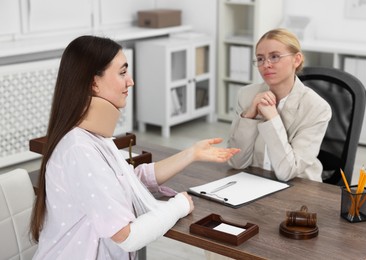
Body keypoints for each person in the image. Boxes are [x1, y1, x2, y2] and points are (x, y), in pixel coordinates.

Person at [30, 35, 240, 260]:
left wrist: (191, 154)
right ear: (93, 83)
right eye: (122, 73)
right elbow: (127, 236)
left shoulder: (94, 137)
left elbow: (128, 181)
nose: (130, 81)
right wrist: (177, 206)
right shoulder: (79, 149)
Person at [227, 28, 331, 182]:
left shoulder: (317, 108)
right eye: (260, 59)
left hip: (300, 189)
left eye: (275, 57)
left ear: (296, 60)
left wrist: (273, 118)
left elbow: (287, 172)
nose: (266, 65)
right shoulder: (246, 95)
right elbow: (236, 162)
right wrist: (249, 115)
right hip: (255, 182)